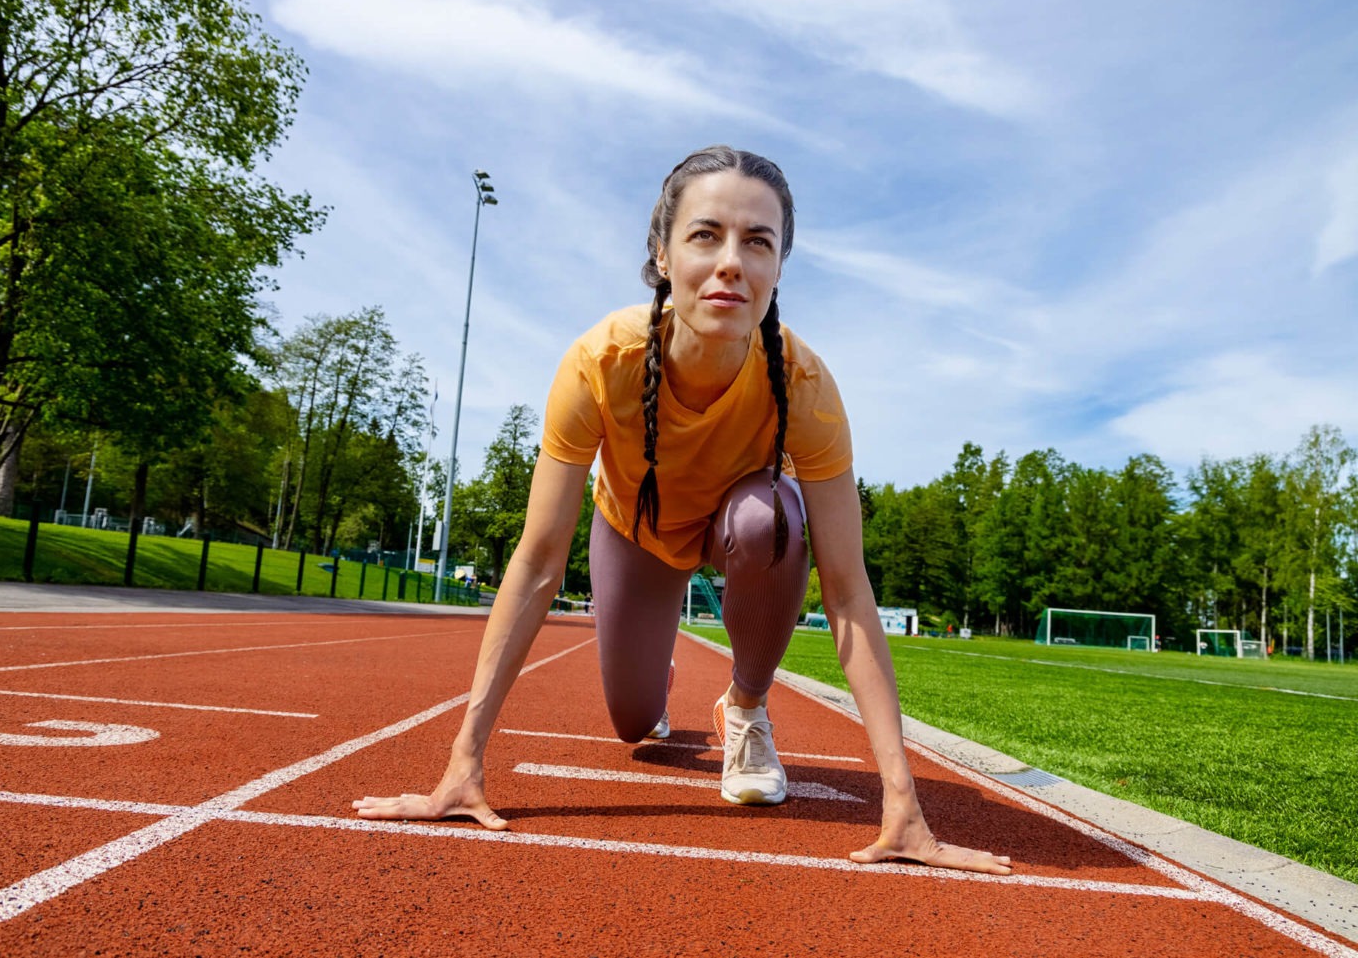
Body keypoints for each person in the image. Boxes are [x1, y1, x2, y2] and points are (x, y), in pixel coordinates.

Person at [354, 145, 1012, 875]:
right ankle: (653, 670)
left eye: (758, 241)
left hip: (741, 527)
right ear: (663, 256)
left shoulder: (806, 385)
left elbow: (849, 590)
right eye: (706, 234)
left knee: (772, 516)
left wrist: (904, 804)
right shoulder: (600, 362)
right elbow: (540, 561)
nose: (732, 260)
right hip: (638, 532)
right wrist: (463, 761)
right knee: (635, 724)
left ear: (778, 268)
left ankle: (745, 707)